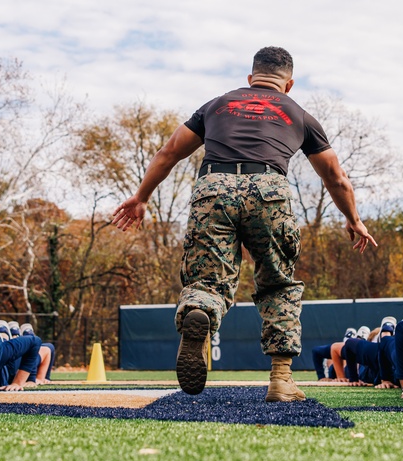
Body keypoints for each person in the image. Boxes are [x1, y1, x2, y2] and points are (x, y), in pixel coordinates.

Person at [113, 47, 377, 402]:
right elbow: (336, 177)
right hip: (269, 188)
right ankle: (281, 380)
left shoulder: (216, 105)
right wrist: (353, 220)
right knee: (277, 283)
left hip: (213, 187)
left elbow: (169, 152)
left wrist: (141, 197)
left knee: (207, 278)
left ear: (250, 78)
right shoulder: (298, 113)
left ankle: (198, 312)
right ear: (289, 84)